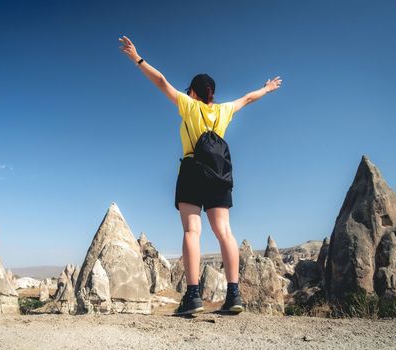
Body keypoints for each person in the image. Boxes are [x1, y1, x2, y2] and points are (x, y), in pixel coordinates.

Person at [119, 35, 282, 315]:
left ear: (193, 92)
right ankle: (234, 296)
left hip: (193, 171)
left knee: (192, 231)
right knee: (225, 232)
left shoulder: (189, 106)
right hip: (220, 173)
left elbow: (161, 82)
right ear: (212, 94)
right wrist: (267, 88)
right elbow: (248, 98)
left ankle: (193, 297)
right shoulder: (224, 110)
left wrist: (138, 58)